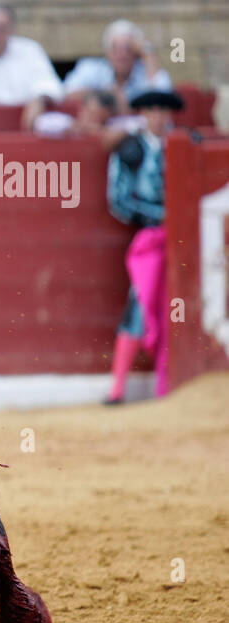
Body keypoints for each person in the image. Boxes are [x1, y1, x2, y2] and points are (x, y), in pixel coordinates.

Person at [104, 89, 183, 404]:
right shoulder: (130, 149)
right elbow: (118, 200)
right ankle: (118, 388)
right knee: (141, 301)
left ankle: (175, 385)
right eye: (152, 109)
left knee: (180, 306)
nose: (159, 115)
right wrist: (164, 217)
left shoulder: (186, 144)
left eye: (164, 109)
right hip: (151, 237)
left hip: (188, 241)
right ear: (143, 113)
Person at [62, 19, 173, 106]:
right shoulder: (91, 68)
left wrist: (148, 53)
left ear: (136, 54)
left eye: (128, 49)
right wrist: (106, 95)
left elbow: (162, 95)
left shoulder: (144, 71)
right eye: (116, 48)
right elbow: (65, 93)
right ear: (107, 52)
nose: (122, 55)